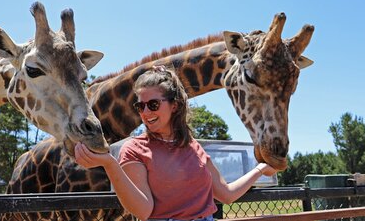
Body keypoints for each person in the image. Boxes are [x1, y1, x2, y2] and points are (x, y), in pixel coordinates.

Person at [74, 65, 277, 221]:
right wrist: (110, 164)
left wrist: (259, 169)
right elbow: (143, 211)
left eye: (153, 104)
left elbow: (225, 194)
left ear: (174, 105)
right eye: (140, 106)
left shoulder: (192, 146)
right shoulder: (135, 149)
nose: (145, 113)